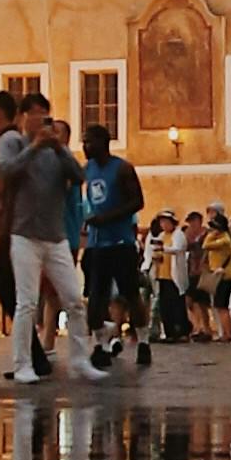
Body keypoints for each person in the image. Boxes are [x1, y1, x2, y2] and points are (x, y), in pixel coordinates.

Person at [3, 98, 88, 381]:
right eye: (37, 116)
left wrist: (59, 148)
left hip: (56, 236)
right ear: (24, 117)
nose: (42, 122)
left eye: (46, 117)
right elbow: (6, 172)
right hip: (24, 235)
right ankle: (22, 365)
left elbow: (79, 176)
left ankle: (79, 360)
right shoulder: (19, 147)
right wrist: (35, 147)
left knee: (74, 300)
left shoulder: (57, 154)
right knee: (26, 302)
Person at [77, 114, 154, 368]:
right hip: (97, 244)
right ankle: (99, 344)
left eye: (89, 142)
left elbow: (137, 202)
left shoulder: (122, 168)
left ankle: (143, 341)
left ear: (103, 142)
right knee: (96, 297)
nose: (85, 146)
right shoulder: (87, 170)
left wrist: (107, 218)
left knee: (131, 294)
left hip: (121, 242)